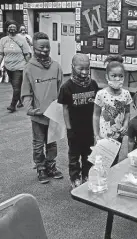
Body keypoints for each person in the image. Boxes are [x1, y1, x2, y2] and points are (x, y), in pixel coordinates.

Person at [21, 32, 63, 184]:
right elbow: (26, 92)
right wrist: (30, 109)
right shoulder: (29, 68)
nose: (45, 50)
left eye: (47, 47)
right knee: (38, 143)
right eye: (40, 48)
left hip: (53, 114)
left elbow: (60, 90)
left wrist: (61, 108)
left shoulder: (56, 67)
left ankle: (51, 166)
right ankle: (41, 168)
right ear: (33, 48)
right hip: (38, 115)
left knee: (52, 142)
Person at [58, 54, 99, 188]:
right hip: (74, 128)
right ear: (72, 67)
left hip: (89, 127)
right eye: (80, 69)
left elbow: (97, 107)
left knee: (89, 154)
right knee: (74, 156)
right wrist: (69, 128)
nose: (84, 72)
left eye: (87, 68)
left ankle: (87, 175)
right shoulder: (67, 87)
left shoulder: (93, 84)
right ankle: (75, 177)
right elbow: (65, 109)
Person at [93, 55, 132, 166]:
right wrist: (96, 134)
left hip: (118, 136)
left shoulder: (126, 94)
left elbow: (128, 112)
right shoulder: (101, 94)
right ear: (107, 76)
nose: (117, 79)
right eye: (113, 76)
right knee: (101, 162)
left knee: (114, 160)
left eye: (120, 76)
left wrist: (125, 125)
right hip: (103, 136)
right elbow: (96, 115)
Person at [0, 20, 31, 112]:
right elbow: (1, 54)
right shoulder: (3, 40)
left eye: (14, 26)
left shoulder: (22, 39)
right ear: (7, 28)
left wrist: (29, 66)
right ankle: (20, 101)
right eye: (10, 26)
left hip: (20, 66)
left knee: (16, 87)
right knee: (16, 86)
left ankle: (12, 105)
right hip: (8, 67)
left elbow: (27, 54)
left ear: (16, 28)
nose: (12, 28)